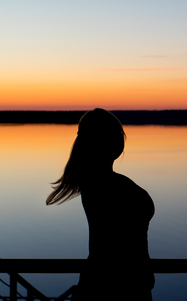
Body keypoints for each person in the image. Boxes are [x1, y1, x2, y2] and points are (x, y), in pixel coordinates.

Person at [46, 108, 155, 300]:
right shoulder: (100, 183)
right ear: (105, 141)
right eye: (118, 134)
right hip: (116, 289)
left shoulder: (96, 182)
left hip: (115, 285)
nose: (121, 139)